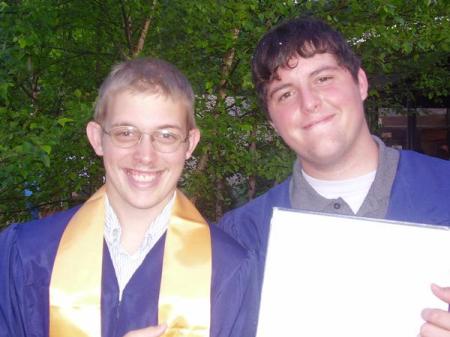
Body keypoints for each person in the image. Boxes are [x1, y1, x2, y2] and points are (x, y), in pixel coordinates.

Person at [216, 17, 450, 336]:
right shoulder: (238, 241)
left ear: (361, 83)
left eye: (323, 78)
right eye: (285, 94)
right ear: (272, 122)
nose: (309, 102)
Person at [0, 57, 256, 337]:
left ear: (190, 144)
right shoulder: (27, 253)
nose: (145, 155)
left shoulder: (229, 270)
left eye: (166, 135)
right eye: (126, 133)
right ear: (97, 138)